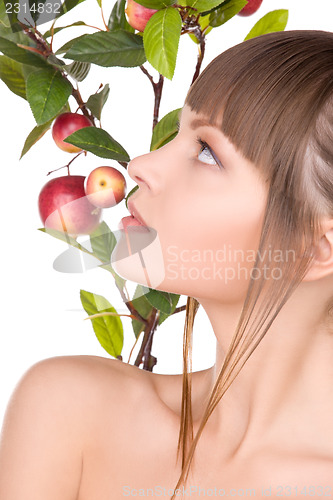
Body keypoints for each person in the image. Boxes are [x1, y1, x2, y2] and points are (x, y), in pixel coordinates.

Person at [0, 29, 332, 499]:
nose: (139, 165)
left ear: (317, 246)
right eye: (179, 132)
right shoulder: (69, 411)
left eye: (208, 153)